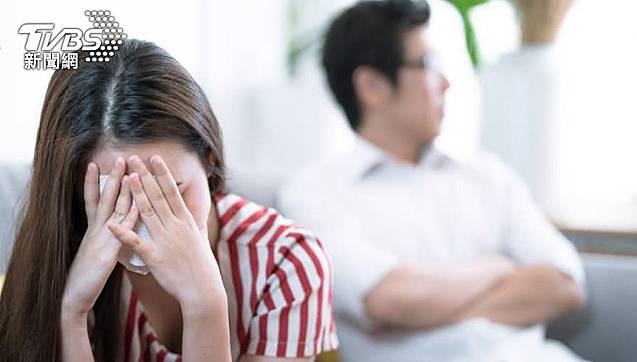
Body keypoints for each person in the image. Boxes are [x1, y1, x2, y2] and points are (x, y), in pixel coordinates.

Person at [277, 1, 585, 361]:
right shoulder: (315, 192)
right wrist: (498, 267)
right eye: (428, 65)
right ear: (372, 85)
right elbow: (388, 300)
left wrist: (424, 311)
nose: (447, 82)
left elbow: (565, 284)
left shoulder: (487, 175)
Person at [0, 39, 338, 361]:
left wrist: (204, 304)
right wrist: (71, 313)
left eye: (169, 193)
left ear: (209, 158)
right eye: (118, 200)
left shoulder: (285, 261)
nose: (145, 223)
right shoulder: (61, 256)